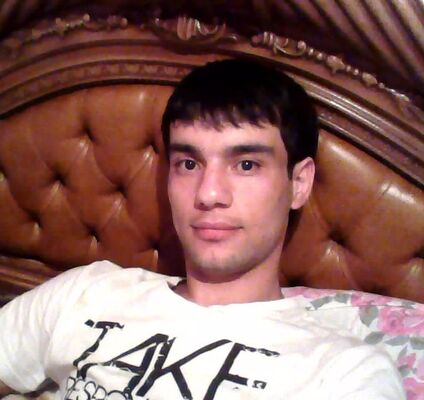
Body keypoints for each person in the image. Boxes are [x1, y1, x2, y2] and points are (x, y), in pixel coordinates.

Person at [0, 59, 405, 399]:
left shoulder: (345, 372)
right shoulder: (87, 292)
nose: (209, 194)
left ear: (299, 183)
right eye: (189, 164)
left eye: (246, 164)